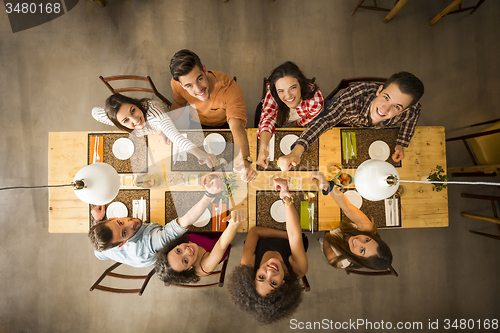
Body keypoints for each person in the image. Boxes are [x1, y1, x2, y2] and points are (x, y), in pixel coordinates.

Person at [278, 72, 425, 171]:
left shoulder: (409, 112)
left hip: (359, 131)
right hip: (339, 116)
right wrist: (296, 152)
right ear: (379, 90)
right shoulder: (356, 96)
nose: (385, 109)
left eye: (397, 107)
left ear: (403, 110)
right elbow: (325, 120)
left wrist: (401, 143)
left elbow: (414, 114)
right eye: (386, 97)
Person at [88, 177, 225, 268]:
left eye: (120, 222)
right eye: (125, 233)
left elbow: (98, 254)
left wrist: (97, 221)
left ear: (112, 218)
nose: (131, 224)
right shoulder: (150, 243)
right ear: (122, 243)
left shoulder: (105, 248)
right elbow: (185, 222)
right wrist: (209, 195)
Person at [226, 178, 308, 325]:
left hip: (274, 228)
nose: (270, 272)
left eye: (261, 277)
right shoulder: (298, 269)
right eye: (274, 283)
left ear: (254, 274)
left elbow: (255, 232)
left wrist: (286, 235)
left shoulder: (248, 266)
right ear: (284, 285)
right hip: (293, 230)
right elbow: (296, 235)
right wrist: (286, 199)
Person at [168, 49, 257, 182]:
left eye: (199, 79)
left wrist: (244, 159)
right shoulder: (176, 84)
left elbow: (237, 126)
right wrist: (167, 127)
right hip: (196, 124)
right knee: (196, 173)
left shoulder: (229, 88)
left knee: (228, 172)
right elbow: (178, 103)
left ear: (204, 70)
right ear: (181, 85)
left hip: (225, 126)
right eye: (189, 85)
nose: (198, 89)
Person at [92, 93, 214, 167]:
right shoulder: (114, 118)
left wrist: (201, 154)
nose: (135, 120)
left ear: (135, 103)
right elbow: (94, 112)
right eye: (125, 120)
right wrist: (111, 112)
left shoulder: (153, 113)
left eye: (133, 110)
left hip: (170, 120)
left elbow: (175, 136)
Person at [311, 171, 393, 270]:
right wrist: (327, 186)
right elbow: (348, 208)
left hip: (330, 239)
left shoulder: (335, 258)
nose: (358, 241)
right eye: (367, 240)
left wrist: (328, 234)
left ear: (360, 259)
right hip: (337, 229)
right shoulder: (368, 230)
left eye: (362, 250)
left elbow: (327, 240)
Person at [256, 61, 324, 168]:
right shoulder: (272, 92)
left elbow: (307, 120)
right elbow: (268, 118)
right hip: (276, 120)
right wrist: (263, 148)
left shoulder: (315, 99)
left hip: (298, 124)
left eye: (292, 88)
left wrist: (291, 127)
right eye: (281, 91)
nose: (288, 96)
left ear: (301, 84)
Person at [155, 210, 245, 285]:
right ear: (189, 269)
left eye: (178, 250)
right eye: (185, 260)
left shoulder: (176, 242)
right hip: (221, 238)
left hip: (205, 229)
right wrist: (234, 224)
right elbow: (221, 245)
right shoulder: (205, 266)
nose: (187, 251)